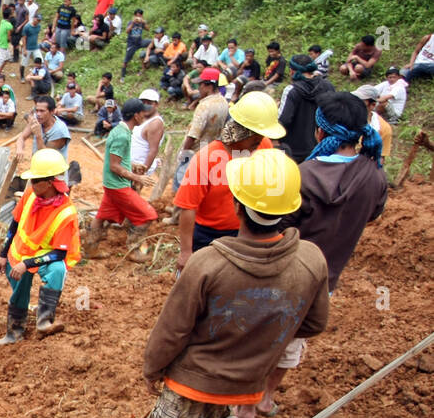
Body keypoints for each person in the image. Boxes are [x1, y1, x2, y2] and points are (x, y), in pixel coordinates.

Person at [139, 150, 330, 418]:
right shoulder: (311, 259)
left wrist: (153, 368)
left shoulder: (208, 263)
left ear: (238, 205)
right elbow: (313, 323)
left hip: (192, 378)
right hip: (246, 381)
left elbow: (173, 330)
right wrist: (259, 341)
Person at [230, 92, 386, 418]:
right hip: (323, 278)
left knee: (260, 337)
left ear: (320, 132)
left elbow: (275, 225)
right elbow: (372, 214)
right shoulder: (374, 176)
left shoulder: (302, 176)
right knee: (293, 339)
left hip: (280, 271)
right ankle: (267, 397)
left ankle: (244, 407)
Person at [174, 91, 284, 272]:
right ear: (240, 131)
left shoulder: (264, 146)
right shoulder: (206, 159)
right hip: (210, 236)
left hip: (248, 232)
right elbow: (188, 207)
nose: (259, 141)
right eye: (255, 137)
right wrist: (186, 251)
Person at [0, 149, 81, 344]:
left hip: (46, 257)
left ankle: (44, 321)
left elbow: (59, 253)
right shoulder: (30, 194)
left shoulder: (66, 213)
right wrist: (3, 254)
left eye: (35, 180)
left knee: (58, 271)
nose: (30, 184)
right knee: (20, 290)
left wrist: (29, 263)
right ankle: (14, 333)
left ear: (49, 183)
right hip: (19, 253)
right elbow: (14, 222)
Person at [84, 99, 157, 262]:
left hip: (112, 184)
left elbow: (116, 160)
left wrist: (132, 165)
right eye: (142, 113)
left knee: (101, 216)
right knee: (148, 215)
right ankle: (134, 249)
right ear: (136, 115)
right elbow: (115, 166)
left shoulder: (120, 131)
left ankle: (90, 248)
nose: (145, 116)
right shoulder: (122, 136)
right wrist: (137, 177)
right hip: (117, 186)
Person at [278, 55, 335, 162]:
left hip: (292, 151)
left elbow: (282, 121)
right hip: (321, 149)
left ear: (292, 71)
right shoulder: (328, 87)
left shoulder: (292, 90)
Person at [15, 94, 70, 161]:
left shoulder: (59, 131)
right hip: (38, 167)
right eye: (37, 110)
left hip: (53, 169)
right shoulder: (36, 120)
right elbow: (22, 137)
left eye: (42, 111)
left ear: (52, 111)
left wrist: (38, 136)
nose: (38, 114)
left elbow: (45, 157)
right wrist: (19, 148)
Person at [353, 85, 393, 165]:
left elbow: (380, 157)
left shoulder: (383, 128)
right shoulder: (343, 118)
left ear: (373, 105)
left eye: (360, 101)